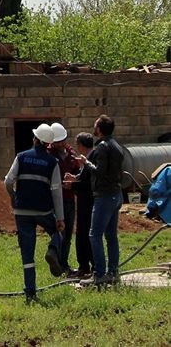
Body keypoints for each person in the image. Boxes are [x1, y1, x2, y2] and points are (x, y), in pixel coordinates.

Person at [4, 123, 65, 303]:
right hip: (43, 210)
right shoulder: (52, 162)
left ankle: (30, 293)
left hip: (22, 210)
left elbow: (8, 181)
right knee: (57, 232)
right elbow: (56, 191)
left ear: (35, 139)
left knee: (27, 253)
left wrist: (13, 196)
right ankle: (53, 250)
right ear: (48, 144)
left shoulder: (21, 157)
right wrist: (60, 218)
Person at [77, 114, 124, 287]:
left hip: (104, 196)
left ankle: (99, 274)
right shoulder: (117, 145)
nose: (93, 128)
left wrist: (85, 163)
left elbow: (100, 171)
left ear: (100, 129)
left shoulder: (103, 147)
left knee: (94, 235)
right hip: (116, 194)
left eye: (96, 125)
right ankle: (113, 272)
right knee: (111, 236)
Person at [48, 122, 82, 272]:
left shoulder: (71, 154)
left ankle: (64, 264)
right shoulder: (48, 155)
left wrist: (73, 178)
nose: (61, 144)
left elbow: (78, 171)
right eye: (58, 142)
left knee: (68, 234)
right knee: (59, 231)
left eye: (63, 140)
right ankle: (56, 260)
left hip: (69, 198)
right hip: (55, 200)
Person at [64, 132, 95, 278]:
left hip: (88, 203)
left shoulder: (91, 160)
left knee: (85, 234)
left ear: (81, 145)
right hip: (85, 202)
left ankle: (89, 266)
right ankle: (85, 265)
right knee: (83, 234)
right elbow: (84, 177)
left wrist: (73, 187)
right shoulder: (87, 160)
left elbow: (89, 184)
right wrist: (74, 178)